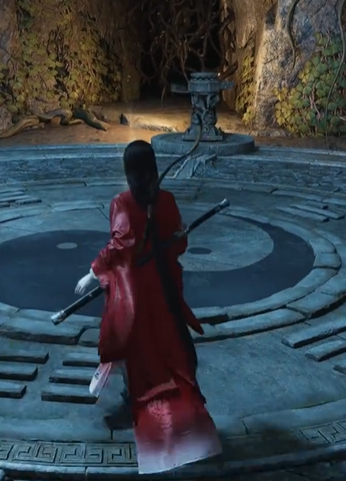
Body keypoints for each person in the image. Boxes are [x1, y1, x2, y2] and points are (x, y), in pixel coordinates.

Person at [74, 140, 222, 475]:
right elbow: (177, 244)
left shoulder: (123, 203)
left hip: (135, 295)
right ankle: (172, 416)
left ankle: (139, 406)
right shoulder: (164, 199)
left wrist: (92, 273)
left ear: (128, 173)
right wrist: (177, 237)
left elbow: (118, 246)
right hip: (163, 291)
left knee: (136, 353)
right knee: (168, 350)